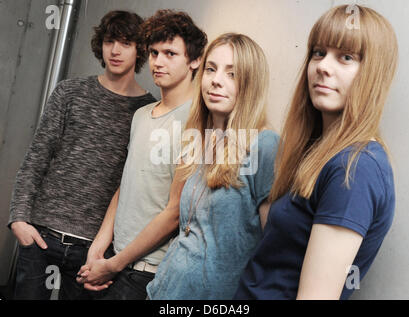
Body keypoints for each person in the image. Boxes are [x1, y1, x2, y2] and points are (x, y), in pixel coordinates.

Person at [235, 5, 398, 300]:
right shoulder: (318, 151)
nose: (323, 66)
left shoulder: (355, 168)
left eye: (346, 57)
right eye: (318, 52)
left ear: (373, 72)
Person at [8, 10, 156, 300]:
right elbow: (36, 158)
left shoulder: (147, 112)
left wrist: (108, 253)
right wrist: (18, 220)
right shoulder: (69, 92)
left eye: (126, 43)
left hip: (93, 251)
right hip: (40, 235)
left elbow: (132, 187)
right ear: (100, 44)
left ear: (140, 50)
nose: (115, 50)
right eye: (110, 41)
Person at [76, 10, 207, 300]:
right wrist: (99, 246)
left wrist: (113, 265)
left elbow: (175, 212)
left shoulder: (198, 120)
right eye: (154, 53)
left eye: (171, 54)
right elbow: (127, 183)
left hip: (148, 269)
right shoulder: (141, 115)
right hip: (113, 257)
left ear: (195, 60)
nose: (158, 62)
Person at [146, 33, 280, 300]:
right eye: (211, 69)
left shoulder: (264, 145)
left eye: (232, 74)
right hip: (163, 292)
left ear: (250, 84)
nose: (216, 80)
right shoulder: (200, 142)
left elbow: (274, 250)